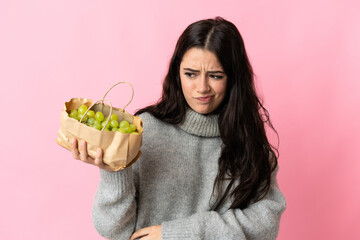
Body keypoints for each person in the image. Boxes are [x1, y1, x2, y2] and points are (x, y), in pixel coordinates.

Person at [70, 16, 286, 240]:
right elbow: (114, 231)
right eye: (190, 74)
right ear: (177, 73)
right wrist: (114, 171)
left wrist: (179, 233)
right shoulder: (145, 131)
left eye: (215, 76)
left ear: (233, 79)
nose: (202, 88)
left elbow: (266, 226)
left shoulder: (250, 144)